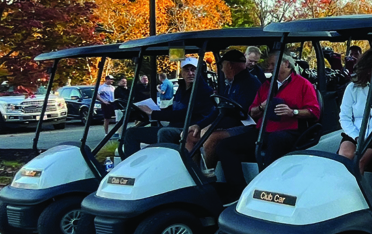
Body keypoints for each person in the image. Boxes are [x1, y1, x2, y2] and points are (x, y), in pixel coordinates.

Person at [216, 52, 322, 194]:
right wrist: (261, 107)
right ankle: (238, 189)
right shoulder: (266, 86)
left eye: (273, 64)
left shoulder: (303, 84)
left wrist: (293, 112)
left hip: (289, 130)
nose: (269, 68)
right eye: (268, 65)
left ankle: (268, 188)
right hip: (263, 130)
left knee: (275, 140)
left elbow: (314, 111)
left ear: (287, 64)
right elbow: (252, 112)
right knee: (224, 146)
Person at [184, 49, 263, 172]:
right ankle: (193, 172)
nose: (221, 70)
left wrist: (212, 128)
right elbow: (220, 109)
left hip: (248, 127)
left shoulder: (251, 84)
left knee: (211, 137)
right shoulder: (231, 85)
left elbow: (240, 114)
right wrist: (199, 125)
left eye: (222, 66)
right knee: (190, 136)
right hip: (231, 124)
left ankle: (208, 176)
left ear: (230, 66)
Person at [123, 57, 215, 156]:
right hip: (175, 126)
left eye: (193, 70)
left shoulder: (203, 91)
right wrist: (156, 110)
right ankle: (133, 169)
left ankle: (165, 168)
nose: (190, 73)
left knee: (164, 132)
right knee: (131, 133)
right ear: (182, 72)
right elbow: (175, 107)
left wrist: (154, 113)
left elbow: (184, 114)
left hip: (189, 129)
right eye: (187, 70)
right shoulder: (182, 88)